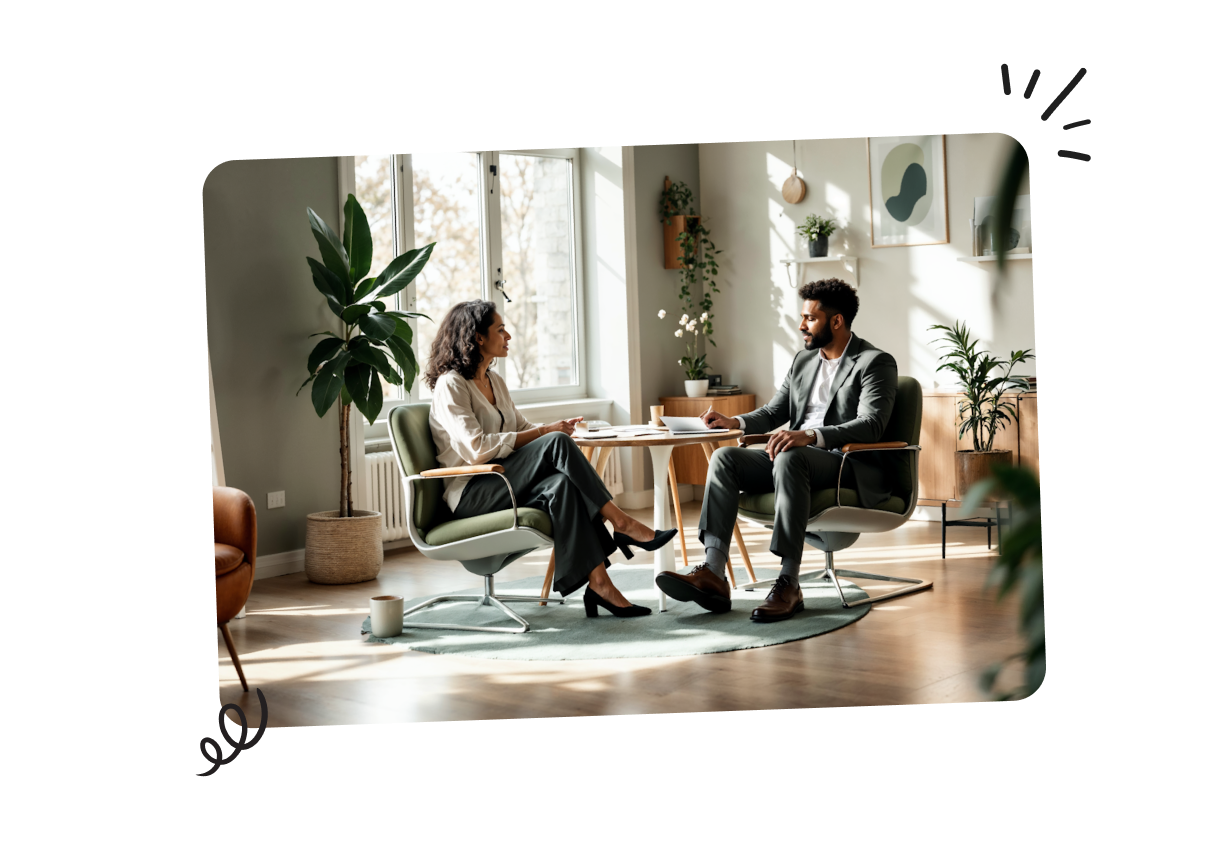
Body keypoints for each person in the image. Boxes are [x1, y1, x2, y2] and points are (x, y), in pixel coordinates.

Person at [655, 278, 899, 622]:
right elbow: (774, 412)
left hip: (844, 462)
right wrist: (734, 422)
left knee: (791, 454)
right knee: (725, 458)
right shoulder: (803, 361)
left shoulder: (874, 362)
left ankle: (789, 582)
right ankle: (713, 573)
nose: (801, 326)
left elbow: (872, 424)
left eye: (809, 318)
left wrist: (810, 435)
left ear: (837, 321)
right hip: (795, 458)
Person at [426, 300, 676, 619]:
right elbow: (476, 449)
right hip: (471, 493)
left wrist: (557, 429)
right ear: (477, 337)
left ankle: (600, 584)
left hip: (502, 481)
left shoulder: (495, 382)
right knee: (555, 442)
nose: (509, 336)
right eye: (500, 329)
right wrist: (548, 433)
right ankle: (622, 522)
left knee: (561, 485)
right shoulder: (451, 385)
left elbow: (523, 429)